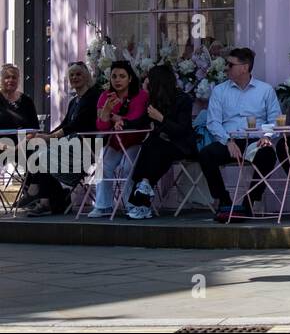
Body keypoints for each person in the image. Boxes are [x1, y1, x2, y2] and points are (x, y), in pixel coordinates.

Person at [198, 47, 283, 221]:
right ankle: (223, 200)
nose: (226, 68)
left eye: (230, 64)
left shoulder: (265, 90)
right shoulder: (220, 90)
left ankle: (250, 202)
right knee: (206, 154)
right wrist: (227, 141)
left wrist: (266, 137)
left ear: (244, 67)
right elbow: (213, 122)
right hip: (230, 140)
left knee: (267, 155)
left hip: (255, 140)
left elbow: (275, 119)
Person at [20, 62, 100, 216]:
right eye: (72, 75)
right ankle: (52, 198)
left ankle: (41, 198)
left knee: (43, 155)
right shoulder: (73, 101)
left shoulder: (92, 97)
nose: (75, 77)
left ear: (87, 76)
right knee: (34, 148)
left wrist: (49, 137)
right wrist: (43, 136)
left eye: (78, 74)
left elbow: (76, 126)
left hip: (85, 146)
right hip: (69, 142)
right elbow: (65, 124)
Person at [123, 65, 197, 220]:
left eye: (150, 81)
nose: (148, 83)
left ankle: (141, 199)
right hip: (160, 145)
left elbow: (182, 130)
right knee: (151, 145)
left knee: (156, 147)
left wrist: (161, 118)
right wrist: (122, 123)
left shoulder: (183, 99)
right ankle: (144, 188)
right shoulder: (156, 100)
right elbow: (141, 121)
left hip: (181, 145)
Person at [88, 60, 149, 218]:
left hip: (135, 140)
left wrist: (113, 117)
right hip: (114, 142)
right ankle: (103, 205)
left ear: (129, 78)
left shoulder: (141, 96)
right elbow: (101, 126)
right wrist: (107, 109)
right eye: (114, 76)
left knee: (128, 167)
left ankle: (131, 205)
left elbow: (134, 120)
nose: (117, 80)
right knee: (104, 166)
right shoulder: (105, 96)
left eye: (122, 76)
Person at [0, 63, 38, 131]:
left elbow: (34, 128)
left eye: (14, 77)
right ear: (1, 80)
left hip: (23, 140)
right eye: (7, 77)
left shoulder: (27, 101)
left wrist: (25, 140)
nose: (11, 80)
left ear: (18, 80)